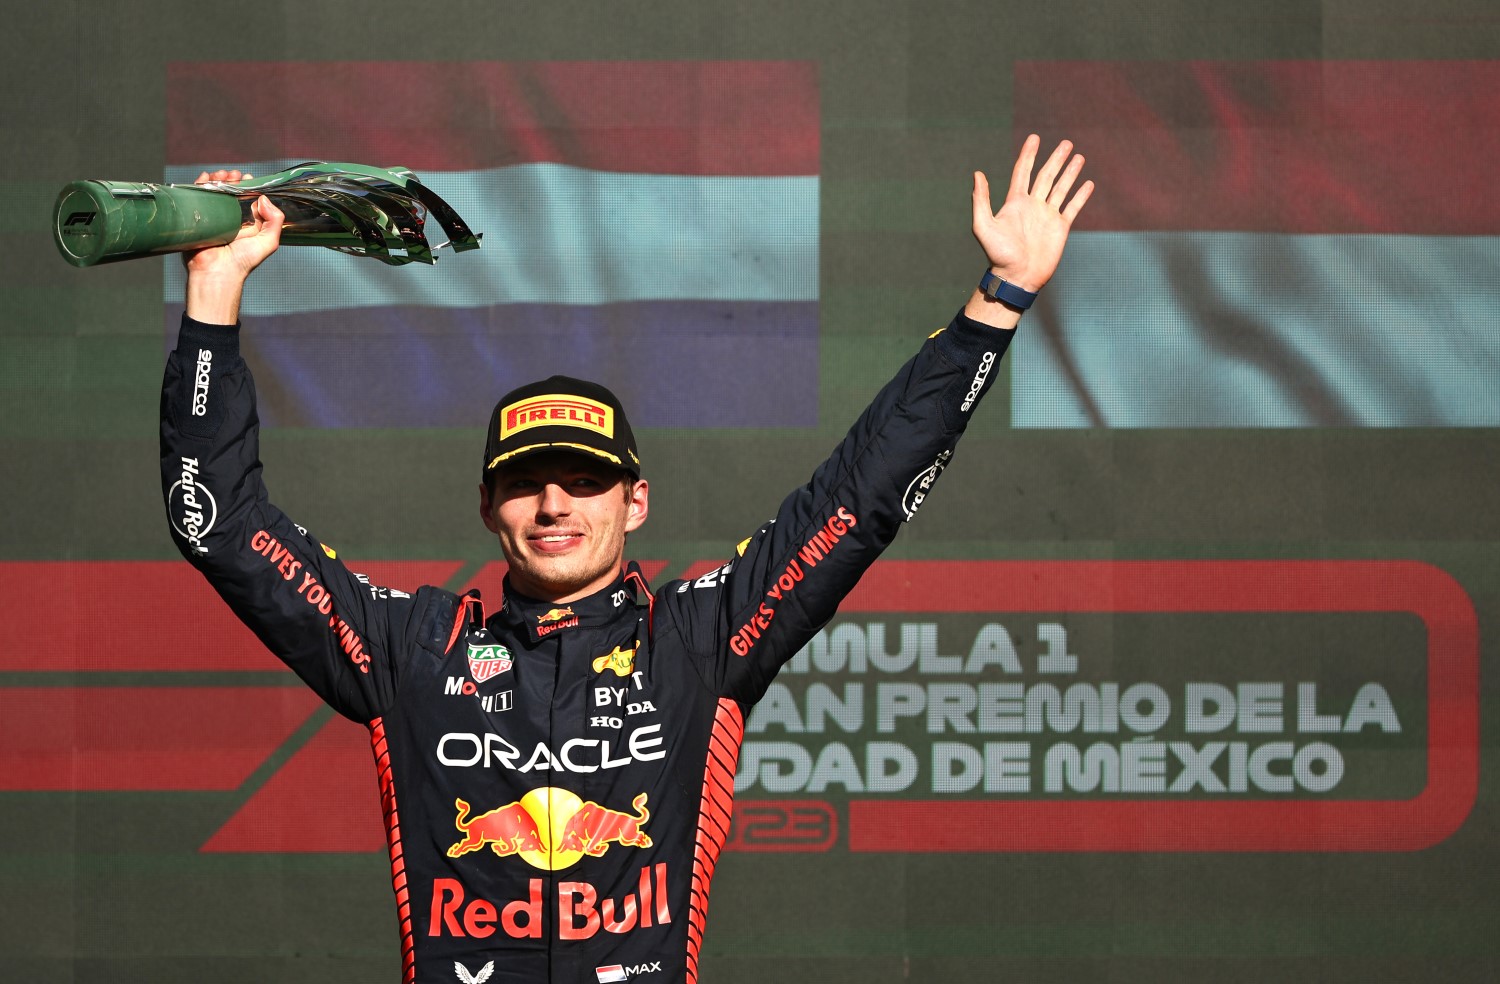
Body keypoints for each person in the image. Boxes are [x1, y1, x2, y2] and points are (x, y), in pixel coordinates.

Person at [161, 135, 1092, 984]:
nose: (555, 503)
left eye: (584, 480)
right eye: (527, 482)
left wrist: (997, 304)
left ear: (635, 502)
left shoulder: (698, 639)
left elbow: (860, 497)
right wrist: (214, 290)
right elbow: (215, 520)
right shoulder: (413, 652)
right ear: (488, 507)